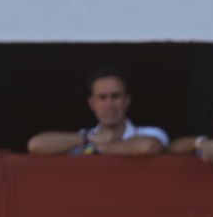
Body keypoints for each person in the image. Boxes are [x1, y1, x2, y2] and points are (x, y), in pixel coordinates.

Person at [27, 67, 168, 157]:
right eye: (102, 97)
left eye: (115, 96)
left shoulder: (149, 133)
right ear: (92, 104)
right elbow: (35, 145)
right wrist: (89, 139)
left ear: (126, 101)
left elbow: (147, 147)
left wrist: (95, 148)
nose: (109, 104)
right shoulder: (85, 138)